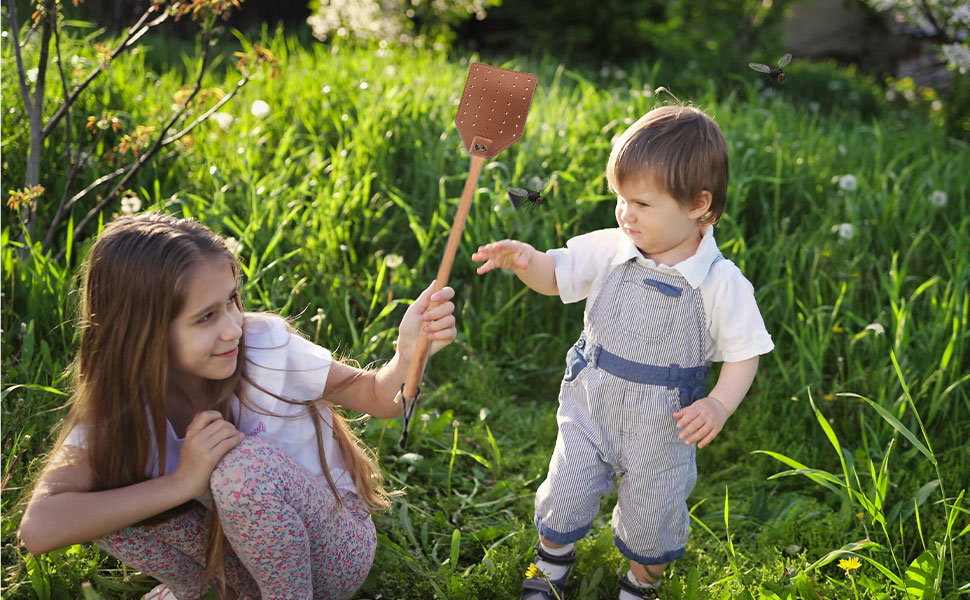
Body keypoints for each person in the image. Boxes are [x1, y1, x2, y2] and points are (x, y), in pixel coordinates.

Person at [18, 212, 458, 599]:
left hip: (331, 551)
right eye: (206, 317)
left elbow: (377, 397)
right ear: (141, 334)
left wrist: (407, 355)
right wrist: (182, 483)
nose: (233, 327)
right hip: (235, 562)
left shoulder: (264, 347)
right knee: (107, 489)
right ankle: (212, 594)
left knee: (241, 469)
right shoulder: (119, 412)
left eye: (231, 300)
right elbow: (39, 529)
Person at [472, 105, 774, 600]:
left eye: (642, 203)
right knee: (565, 492)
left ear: (698, 205)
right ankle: (550, 563)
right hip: (592, 405)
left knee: (652, 521)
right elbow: (557, 276)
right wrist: (528, 262)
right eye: (620, 198)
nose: (625, 213)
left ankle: (639, 583)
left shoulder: (721, 283)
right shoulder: (611, 248)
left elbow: (745, 353)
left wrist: (719, 404)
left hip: (663, 426)